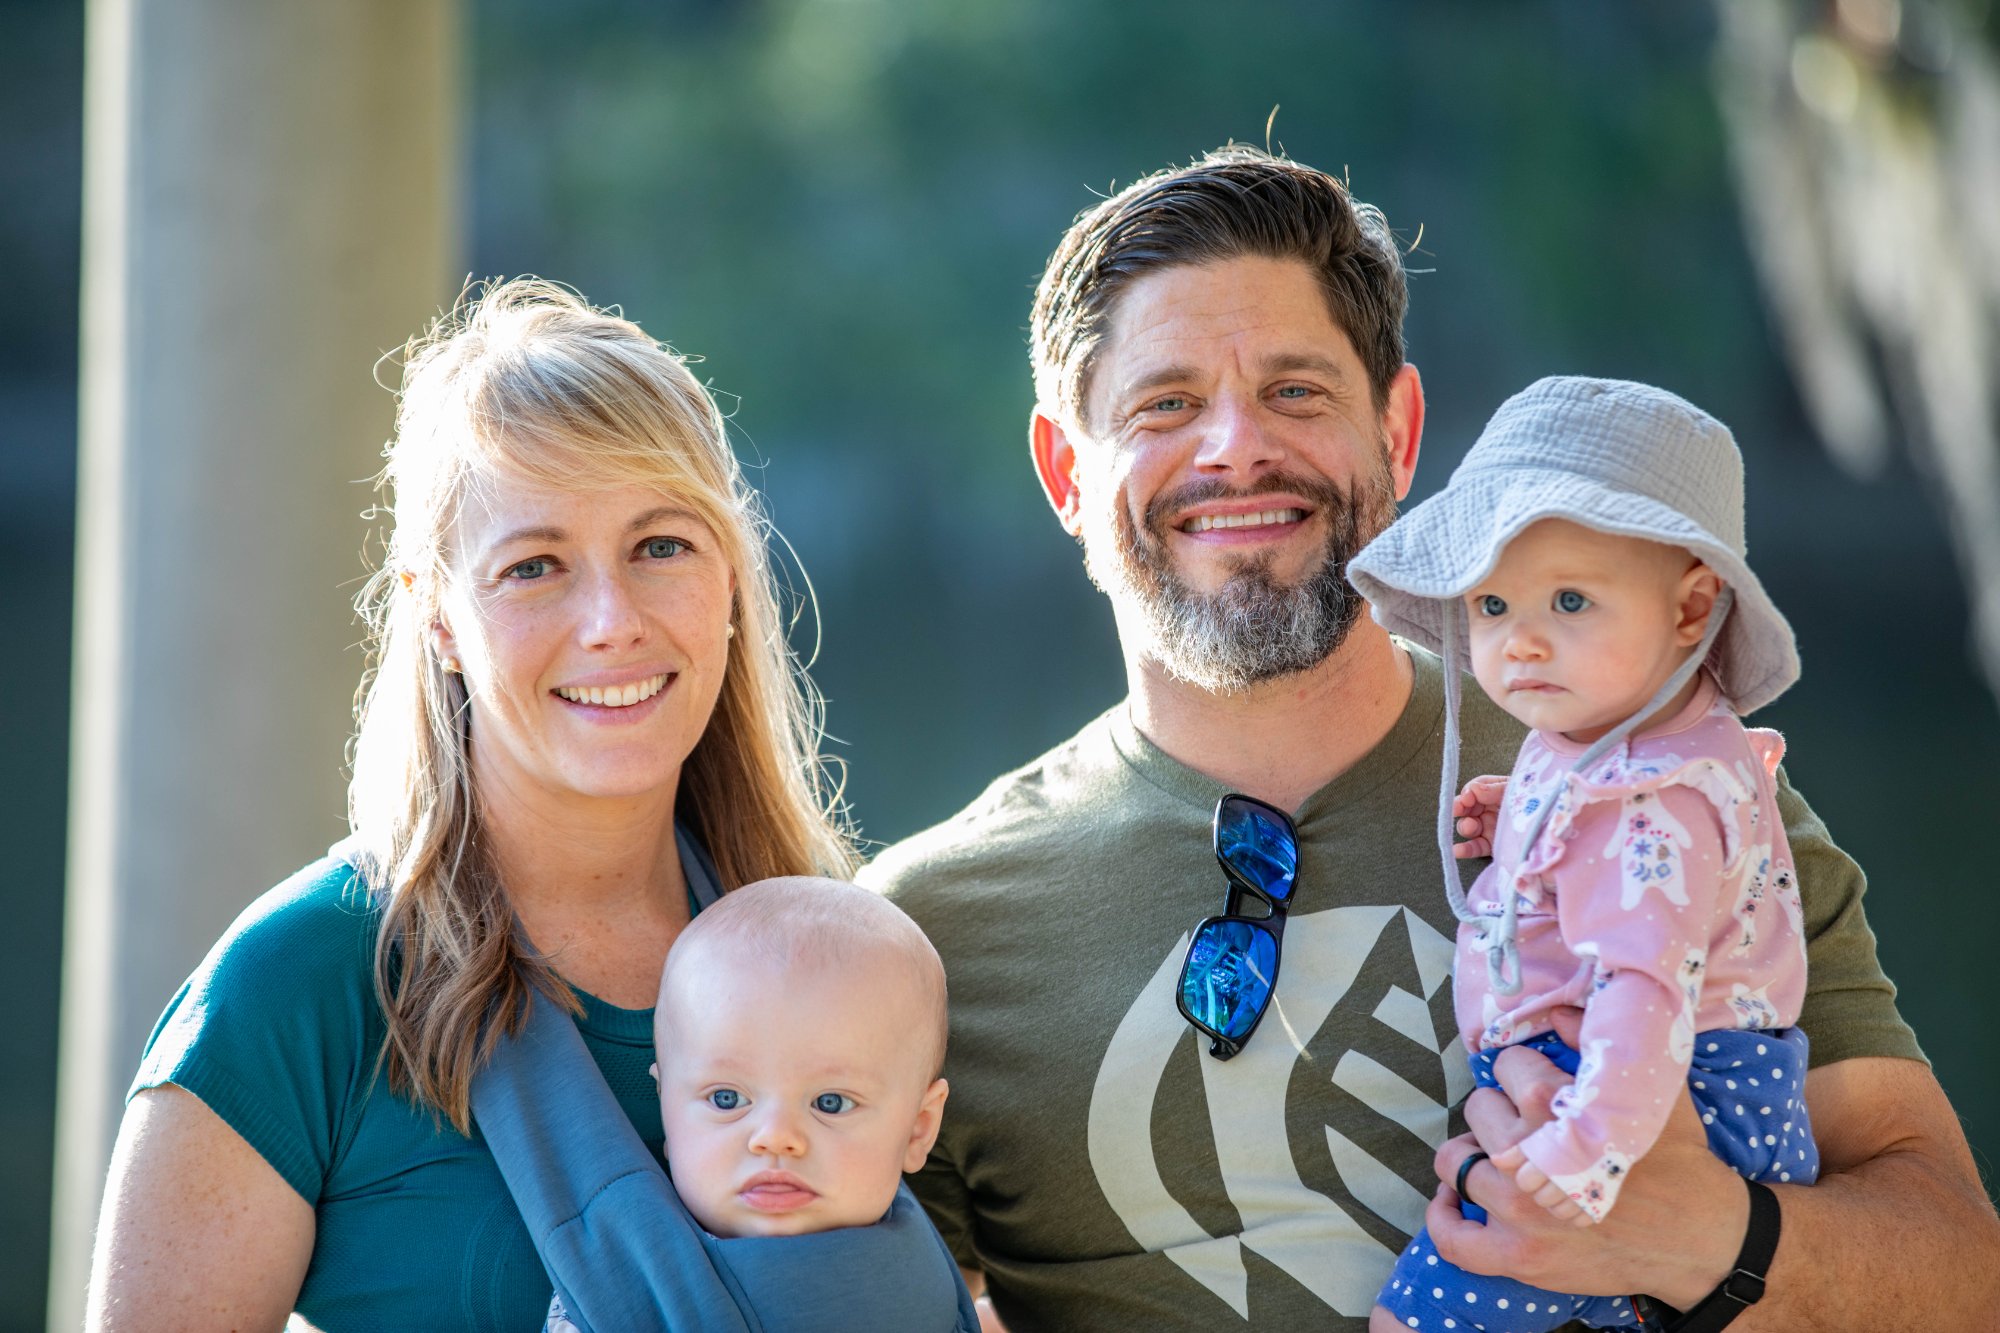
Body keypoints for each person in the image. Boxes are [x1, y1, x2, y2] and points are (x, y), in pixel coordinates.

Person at [861, 147, 2000, 1331]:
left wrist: (1713, 1239)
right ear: (1063, 470)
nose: (1235, 448)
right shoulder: (924, 936)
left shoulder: (1670, 788)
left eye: (1295, 391)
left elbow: (1967, 1281)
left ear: (1398, 432)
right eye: (1166, 403)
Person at [85, 280, 859, 1329]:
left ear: (729, 576)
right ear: (439, 618)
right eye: (534, 566)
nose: (610, 620)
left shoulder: (840, 956)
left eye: (659, 546)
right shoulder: (293, 990)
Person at [1348, 378, 1819, 1332]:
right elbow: (1646, 878)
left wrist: (1587, 1154)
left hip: (1641, 1091)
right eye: (1491, 603)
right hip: (1676, 1082)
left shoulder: (1642, 808)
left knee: (1416, 1317)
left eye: (1570, 600)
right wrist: (1532, 829)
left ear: (1691, 610)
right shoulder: (1629, 734)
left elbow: (1645, 980)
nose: (1521, 642)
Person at [540, 875, 954, 1331]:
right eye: (727, 1099)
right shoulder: (619, 1292)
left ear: (918, 1129)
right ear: (666, 1108)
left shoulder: (932, 1289)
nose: (775, 1137)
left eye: (831, 1102)